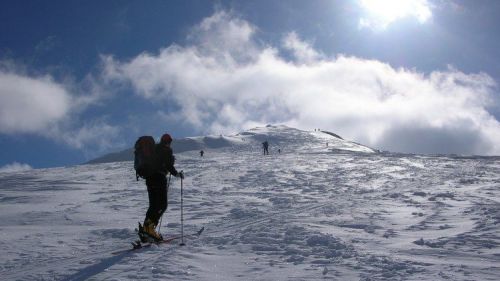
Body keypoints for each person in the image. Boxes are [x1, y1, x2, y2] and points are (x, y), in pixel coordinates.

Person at [140, 133, 183, 242]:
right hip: (159, 178)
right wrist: (176, 173)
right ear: (168, 142)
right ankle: (149, 229)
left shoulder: (154, 149)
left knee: (153, 205)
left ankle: (146, 231)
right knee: (162, 205)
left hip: (149, 179)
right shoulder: (166, 150)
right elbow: (168, 165)